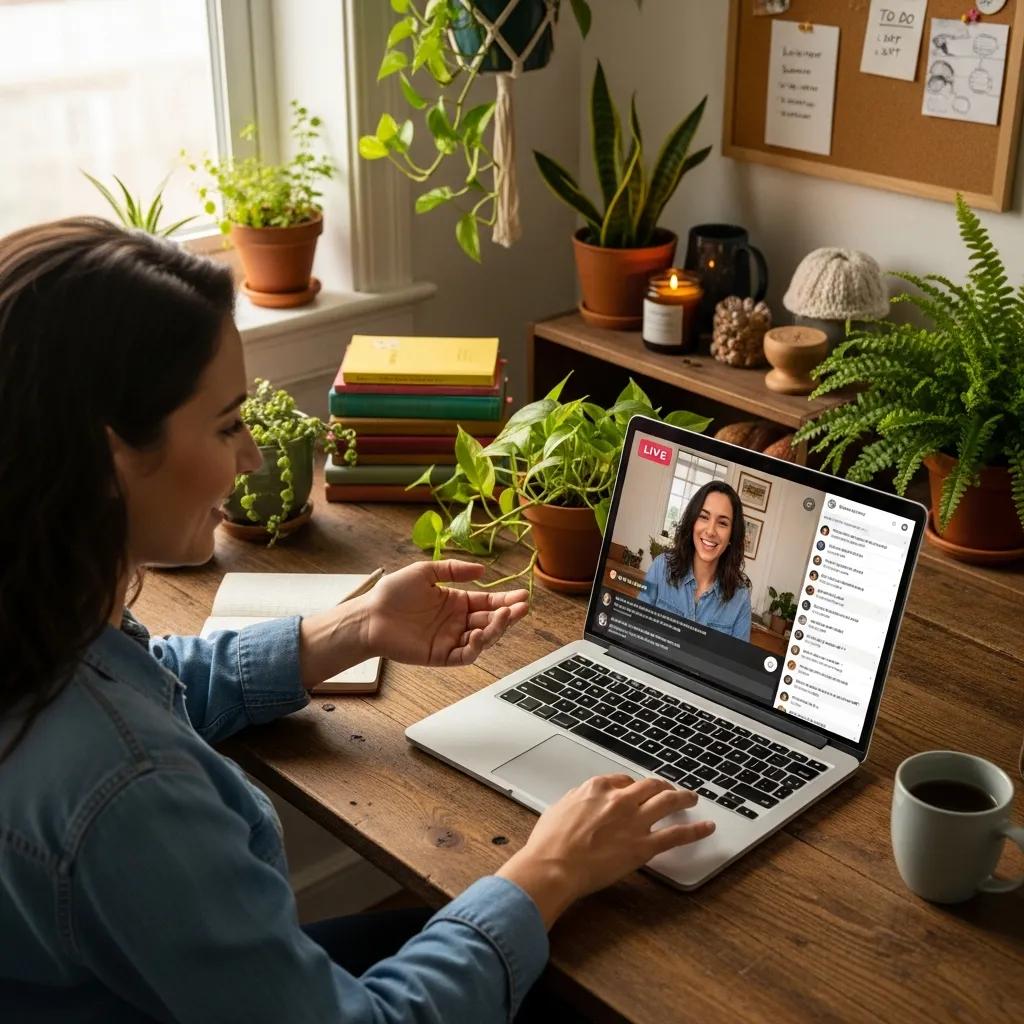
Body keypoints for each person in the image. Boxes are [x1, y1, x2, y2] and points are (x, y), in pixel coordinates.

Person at [0, 220, 716, 1023]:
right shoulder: (131, 791)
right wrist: (550, 866)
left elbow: (148, 683)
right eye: (228, 424)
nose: (256, 460)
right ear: (109, 460)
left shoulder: (39, 627)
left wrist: (351, 628)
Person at [640, 481, 752, 641]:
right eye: (704, 517)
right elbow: (635, 628)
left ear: (731, 536)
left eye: (722, 523)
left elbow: (735, 664)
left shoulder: (740, 598)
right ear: (692, 522)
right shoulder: (661, 567)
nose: (711, 530)